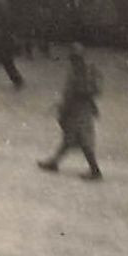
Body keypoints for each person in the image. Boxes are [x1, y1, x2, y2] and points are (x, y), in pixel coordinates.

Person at [38, 44, 104, 181]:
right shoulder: (75, 70)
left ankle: (95, 170)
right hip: (74, 108)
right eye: (73, 58)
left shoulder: (88, 71)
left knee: (83, 139)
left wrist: (74, 96)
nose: (74, 60)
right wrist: (62, 105)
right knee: (69, 138)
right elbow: (68, 89)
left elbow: (92, 89)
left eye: (76, 57)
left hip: (82, 109)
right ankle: (54, 162)